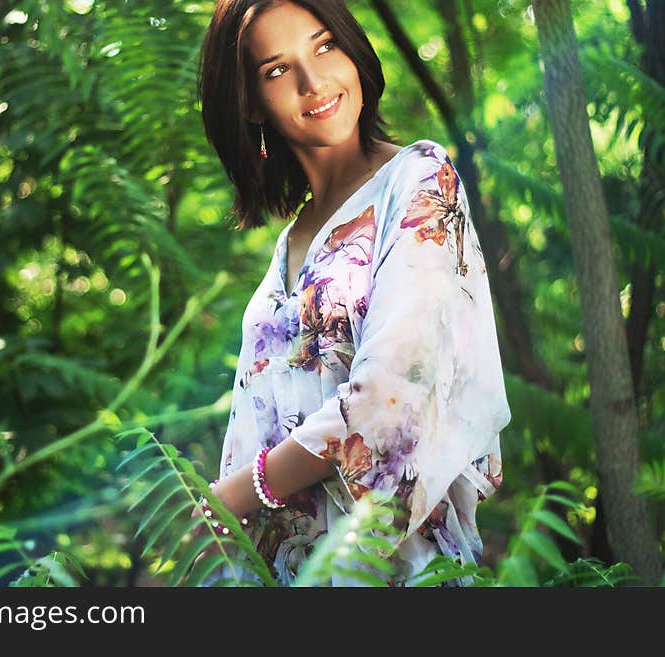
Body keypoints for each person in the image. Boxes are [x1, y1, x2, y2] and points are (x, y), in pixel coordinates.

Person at [193, 0, 511, 586]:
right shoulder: (290, 242)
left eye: (323, 47)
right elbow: (253, 418)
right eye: (277, 69)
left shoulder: (418, 180)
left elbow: (391, 391)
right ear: (251, 104)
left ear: (351, 48)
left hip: (394, 569)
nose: (314, 82)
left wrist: (232, 496)